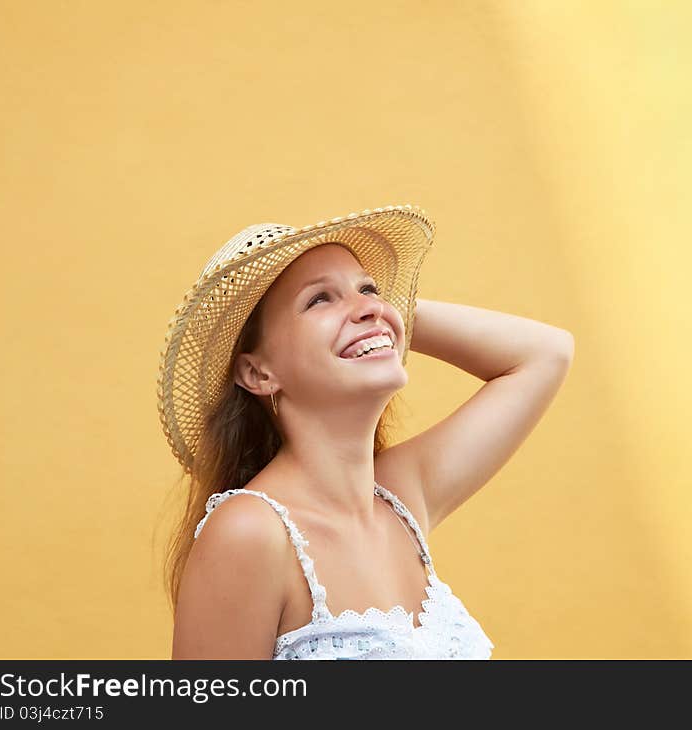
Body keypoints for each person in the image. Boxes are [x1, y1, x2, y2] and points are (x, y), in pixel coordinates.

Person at [157, 204, 574, 659]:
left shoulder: (400, 500)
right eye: (319, 299)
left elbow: (548, 353)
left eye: (369, 289)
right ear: (258, 373)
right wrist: (365, 318)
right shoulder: (250, 533)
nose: (370, 307)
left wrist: (383, 318)